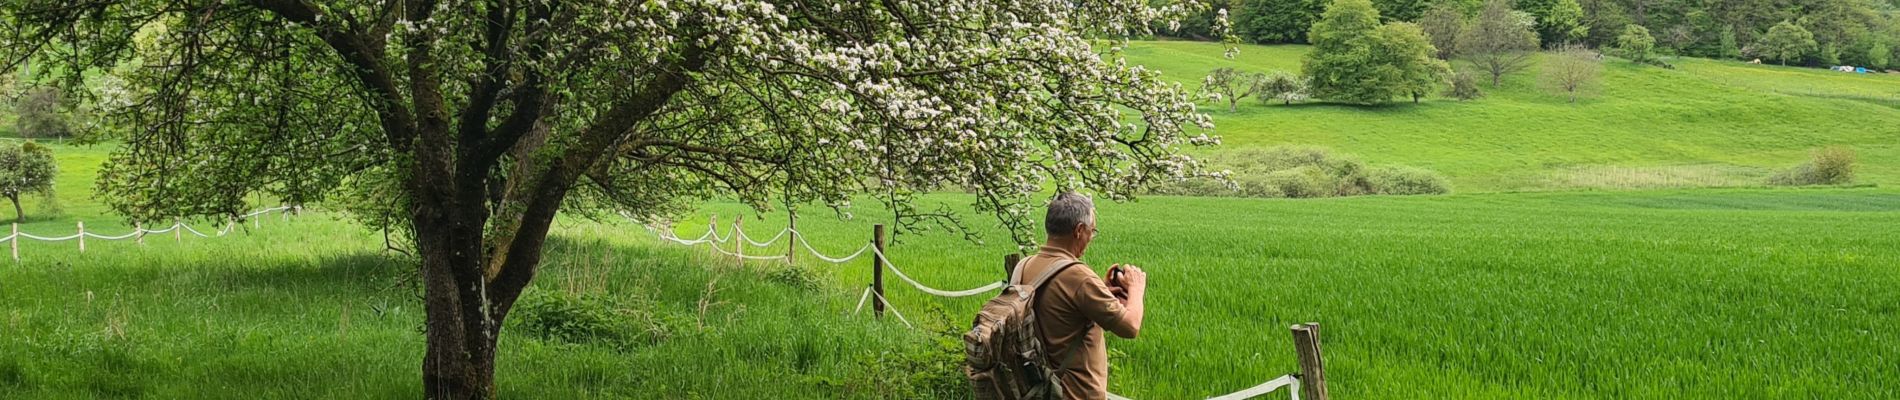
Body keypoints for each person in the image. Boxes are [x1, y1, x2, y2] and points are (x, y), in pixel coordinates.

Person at [1012, 192, 1147, 399]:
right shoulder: (1078, 277)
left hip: (1035, 390)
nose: (1091, 237)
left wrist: (1100, 290)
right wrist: (1137, 288)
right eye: (1092, 231)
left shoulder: (1023, 266)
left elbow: (1059, 310)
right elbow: (1131, 327)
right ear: (1079, 231)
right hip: (1074, 393)